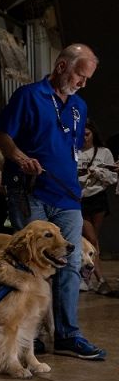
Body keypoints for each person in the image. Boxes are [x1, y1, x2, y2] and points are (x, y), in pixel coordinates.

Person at [0, 43, 106, 360]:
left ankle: (68, 335)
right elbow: (2, 136)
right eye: (80, 75)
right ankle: (29, 334)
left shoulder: (78, 106)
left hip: (67, 195)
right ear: (61, 67)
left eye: (87, 79)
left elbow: (67, 148)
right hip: (30, 192)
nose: (82, 83)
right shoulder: (28, 96)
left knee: (69, 264)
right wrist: (19, 157)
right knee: (30, 264)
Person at [77, 121, 115, 290]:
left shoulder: (104, 152)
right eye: (82, 134)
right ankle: (99, 278)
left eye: (87, 134)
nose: (85, 138)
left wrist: (98, 172)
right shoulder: (75, 152)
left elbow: (112, 177)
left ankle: (88, 277)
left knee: (93, 240)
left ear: (93, 134)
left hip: (98, 197)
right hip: (80, 198)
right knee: (90, 238)